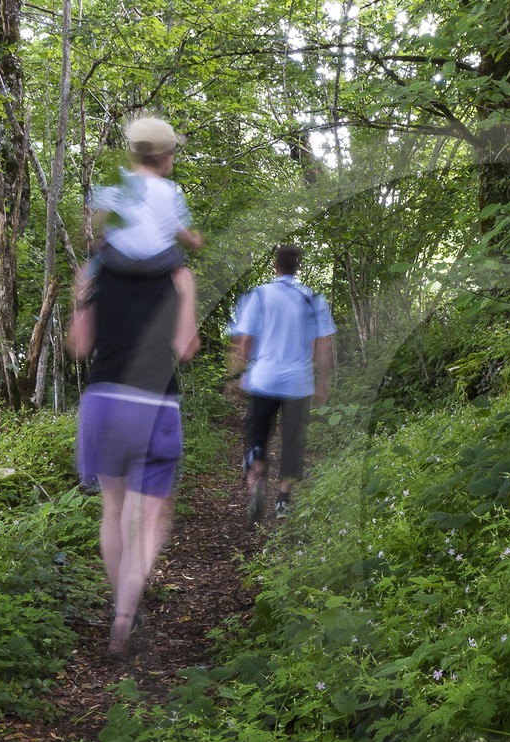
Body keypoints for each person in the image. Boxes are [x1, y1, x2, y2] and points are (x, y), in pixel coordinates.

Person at [70, 214, 193, 656]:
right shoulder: (178, 275)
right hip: (154, 402)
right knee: (144, 520)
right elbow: (185, 346)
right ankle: (125, 615)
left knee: (113, 509)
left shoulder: (92, 270)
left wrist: (85, 305)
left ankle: (121, 608)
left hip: (103, 401)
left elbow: (80, 345)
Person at [225, 244, 336, 522]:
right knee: (292, 442)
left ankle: (257, 476)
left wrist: (237, 374)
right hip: (298, 383)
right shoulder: (312, 299)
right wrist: (324, 380)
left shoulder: (259, 296)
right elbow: (324, 344)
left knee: (258, 434)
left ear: (276, 266)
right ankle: (283, 501)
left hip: (264, 379)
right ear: (297, 268)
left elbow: (245, 343)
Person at [88, 115, 202, 364]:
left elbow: (99, 219)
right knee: (181, 271)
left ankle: (85, 304)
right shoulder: (170, 192)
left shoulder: (117, 185)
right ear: (166, 156)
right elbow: (176, 228)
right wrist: (192, 240)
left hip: (117, 262)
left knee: (96, 259)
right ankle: (183, 335)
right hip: (158, 265)